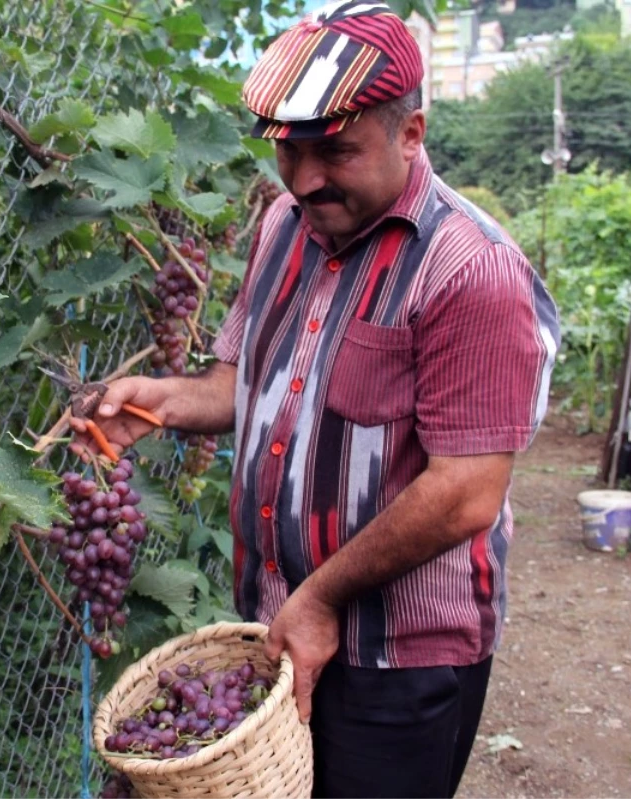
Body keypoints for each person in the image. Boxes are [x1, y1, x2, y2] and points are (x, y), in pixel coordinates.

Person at [71, 1, 561, 796]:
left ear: (412, 133)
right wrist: (158, 402)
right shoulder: (285, 225)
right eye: (288, 152)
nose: (304, 179)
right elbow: (249, 382)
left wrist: (324, 597)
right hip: (281, 623)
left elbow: (467, 491)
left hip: (397, 656)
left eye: (335, 151)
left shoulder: (471, 271)